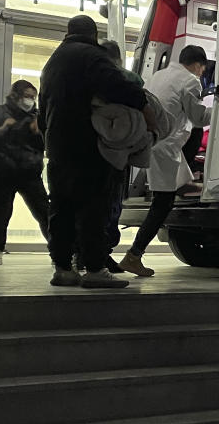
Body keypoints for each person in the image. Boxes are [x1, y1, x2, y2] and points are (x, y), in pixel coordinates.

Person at [38, 16, 154, 288]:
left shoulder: (52, 63)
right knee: (93, 207)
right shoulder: (91, 55)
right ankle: (94, 268)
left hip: (58, 145)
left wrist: (48, 140)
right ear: (93, 34)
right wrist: (146, 110)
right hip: (87, 144)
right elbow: (120, 86)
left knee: (61, 208)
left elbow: (43, 111)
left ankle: (63, 268)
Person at [119, 45, 212, 276]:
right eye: (202, 69)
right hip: (166, 146)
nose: (201, 73)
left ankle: (190, 185)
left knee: (176, 187)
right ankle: (133, 255)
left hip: (152, 141)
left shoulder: (158, 75)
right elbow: (198, 118)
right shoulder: (191, 81)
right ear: (198, 65)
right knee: (162, 204)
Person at [0, 79, 50, 266]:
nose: (30, 101)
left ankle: (58, 251)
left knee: (44, 212)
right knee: (1, 212)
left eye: (33, 97)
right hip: (4, 170)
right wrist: (2, 129)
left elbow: (48, 143)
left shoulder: (37, 116)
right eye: (27, 96)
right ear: (16, 96)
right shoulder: (0, 112)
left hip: (30, 171)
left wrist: (39, 133)